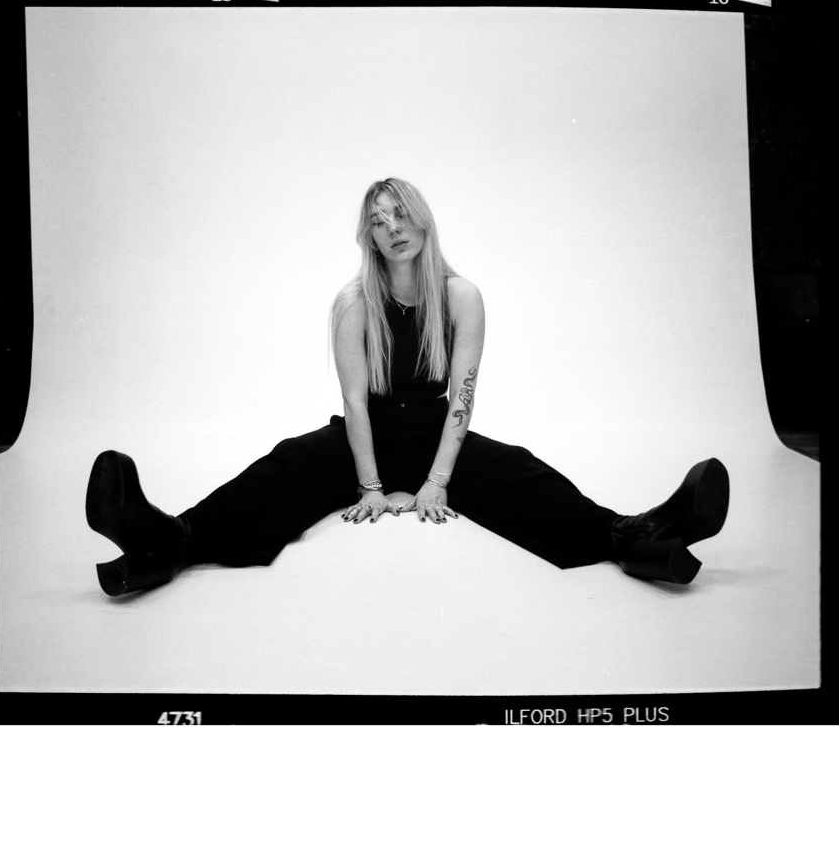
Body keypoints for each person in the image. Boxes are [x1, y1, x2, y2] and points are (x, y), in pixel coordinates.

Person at [86, 177, 730, 596]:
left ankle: (636, 537)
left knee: (520, 474)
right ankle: (169, 540)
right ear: (367, 236)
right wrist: (370, 486)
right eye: (378, 220)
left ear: (423, 221)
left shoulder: (461, 296)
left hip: (435, 438)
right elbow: (353, 402)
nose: (392, 227)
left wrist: (437, 480)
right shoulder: (352, 303)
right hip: (362, 439)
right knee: (287, 467)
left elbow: (463, 399)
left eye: (401, 214)